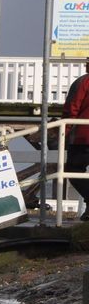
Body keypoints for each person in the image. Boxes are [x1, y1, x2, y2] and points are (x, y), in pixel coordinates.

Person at [62, 57, 89, 217]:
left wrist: (64, 129)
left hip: (84, 136)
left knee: (73, 169)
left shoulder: (83, 82)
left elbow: (72, 107)